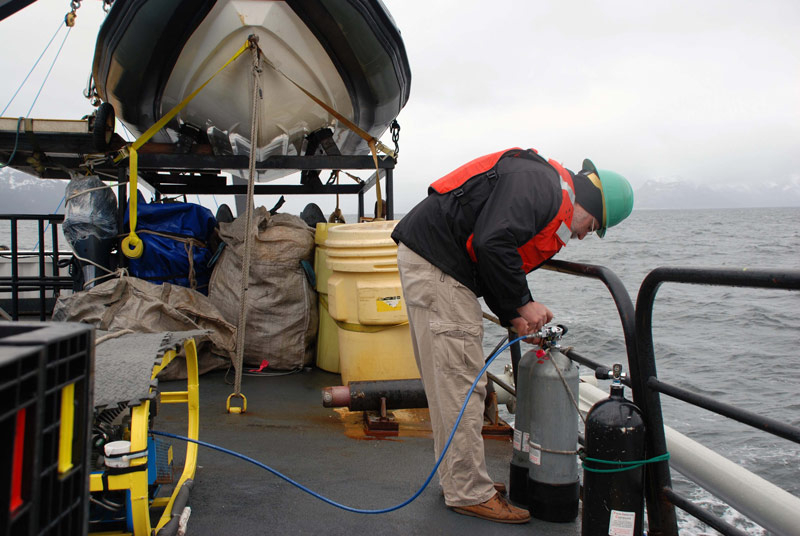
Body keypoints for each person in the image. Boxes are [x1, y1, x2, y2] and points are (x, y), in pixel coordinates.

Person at [391, 147, 633, 524]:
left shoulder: (541, 184)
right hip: (439, 266)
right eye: (592, 228)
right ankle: (468, 491)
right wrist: (525, 302)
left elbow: (488, 248)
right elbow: (492, 242)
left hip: (433, 260)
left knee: (451, 384)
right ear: (592, 207)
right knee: (461, 385)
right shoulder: (542, 188)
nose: (584, 237)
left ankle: (460, 478)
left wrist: (514, 316)